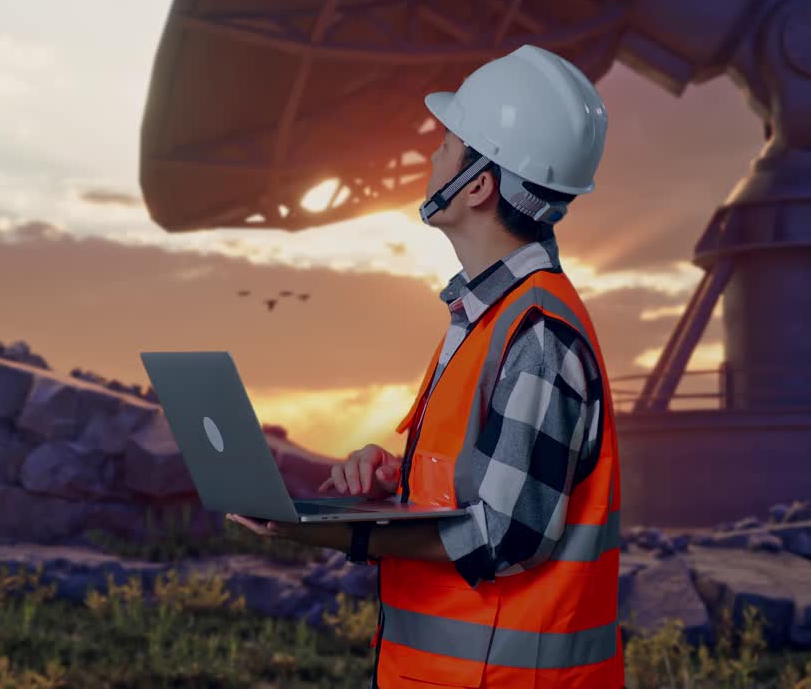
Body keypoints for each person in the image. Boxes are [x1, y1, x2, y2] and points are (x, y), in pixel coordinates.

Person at [228, 43, 623, 688]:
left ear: (479, 185)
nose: (431, 156)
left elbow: (504, 538)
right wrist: (401, 483)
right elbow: (481, 490)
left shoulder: (537, 336)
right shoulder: (488, 317)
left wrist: (330, 533)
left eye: (446, 143)